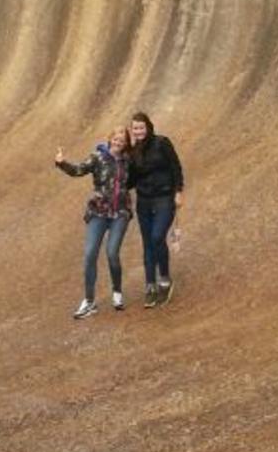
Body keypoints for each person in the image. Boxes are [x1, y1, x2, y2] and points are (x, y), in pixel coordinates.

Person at [54, 126, 133, 319]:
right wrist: (62, 163)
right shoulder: (98, 157)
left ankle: (117, 292)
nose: (118, 142)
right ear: (110, 139)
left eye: (122, 140)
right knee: (90, 255)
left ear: (126, 144)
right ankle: (89, 302)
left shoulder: (129, 161)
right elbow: (78, 170)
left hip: (120, 213)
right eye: (116, 138)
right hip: (98, 212)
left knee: (112, 253)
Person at [127, 111, 184, 308]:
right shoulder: (133, 152)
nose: (138, 131)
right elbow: (131, 180)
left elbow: (176, 167)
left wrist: (178, 191)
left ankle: (165, 280)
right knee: (147, 243)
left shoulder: (162, 143)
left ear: (148, 127)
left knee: (157, 236)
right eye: (135, 128)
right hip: (144, 201)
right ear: (132, 131)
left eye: (141, 127)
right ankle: (150, 285)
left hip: (164, 198)